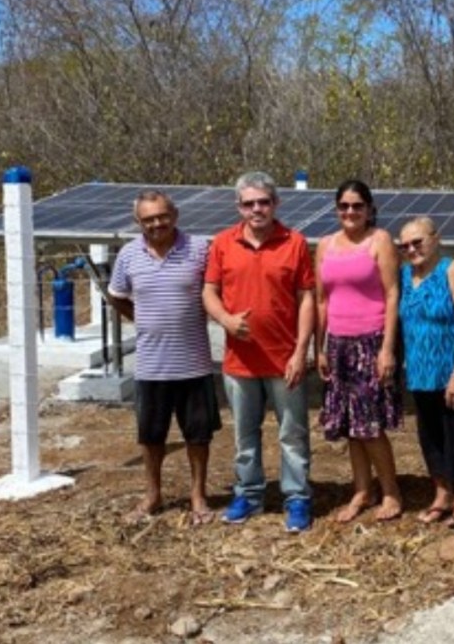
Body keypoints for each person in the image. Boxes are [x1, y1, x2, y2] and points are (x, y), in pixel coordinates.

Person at [202, 171, 316, 533]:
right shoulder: (222, 243)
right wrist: (225, 320)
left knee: (293, 434)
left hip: (285, 359)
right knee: (245, 435)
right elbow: (209, 291)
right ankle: (249, 494)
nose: (257, 209)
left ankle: (297, 497)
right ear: (239, 207)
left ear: (275, 204)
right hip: (239, 362)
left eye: (263, 202)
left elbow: (306, 299)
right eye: (249, 203)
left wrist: (301, 351)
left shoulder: (294, 242)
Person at [107, 189, 221, 526]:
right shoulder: (128, 255)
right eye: (148, 219)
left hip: (195, 362)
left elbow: (216, 288)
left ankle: (198, 495)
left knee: (198, 436)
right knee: (151, 436)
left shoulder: (200, 249)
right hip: (151, 367)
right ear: (137, 221)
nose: (157, 223)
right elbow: (116, 295)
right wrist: (141, 317)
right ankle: (153, 495)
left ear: (175, 215)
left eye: (162, 216)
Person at [315, 180, 404, 523]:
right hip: (337, 344)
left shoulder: (379, 240)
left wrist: (387, 349)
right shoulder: (324, 245)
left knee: (370, 424)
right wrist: (319, 348)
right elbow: (322, 300)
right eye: (344, 206)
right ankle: (362, 490)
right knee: (351, 424)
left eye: (357, 206)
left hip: (371, 340)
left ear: (369, 209)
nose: (350, 212)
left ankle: (391, 491)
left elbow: (392, 294)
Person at [397, 216, 454, 528]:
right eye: (405, 245)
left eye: (417, 242)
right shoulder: (405, 275)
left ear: (435, 238)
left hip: (449, 370)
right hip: (419, 371)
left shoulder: (451, 270)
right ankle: (441, 493)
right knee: (429, 434)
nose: (412, 249)